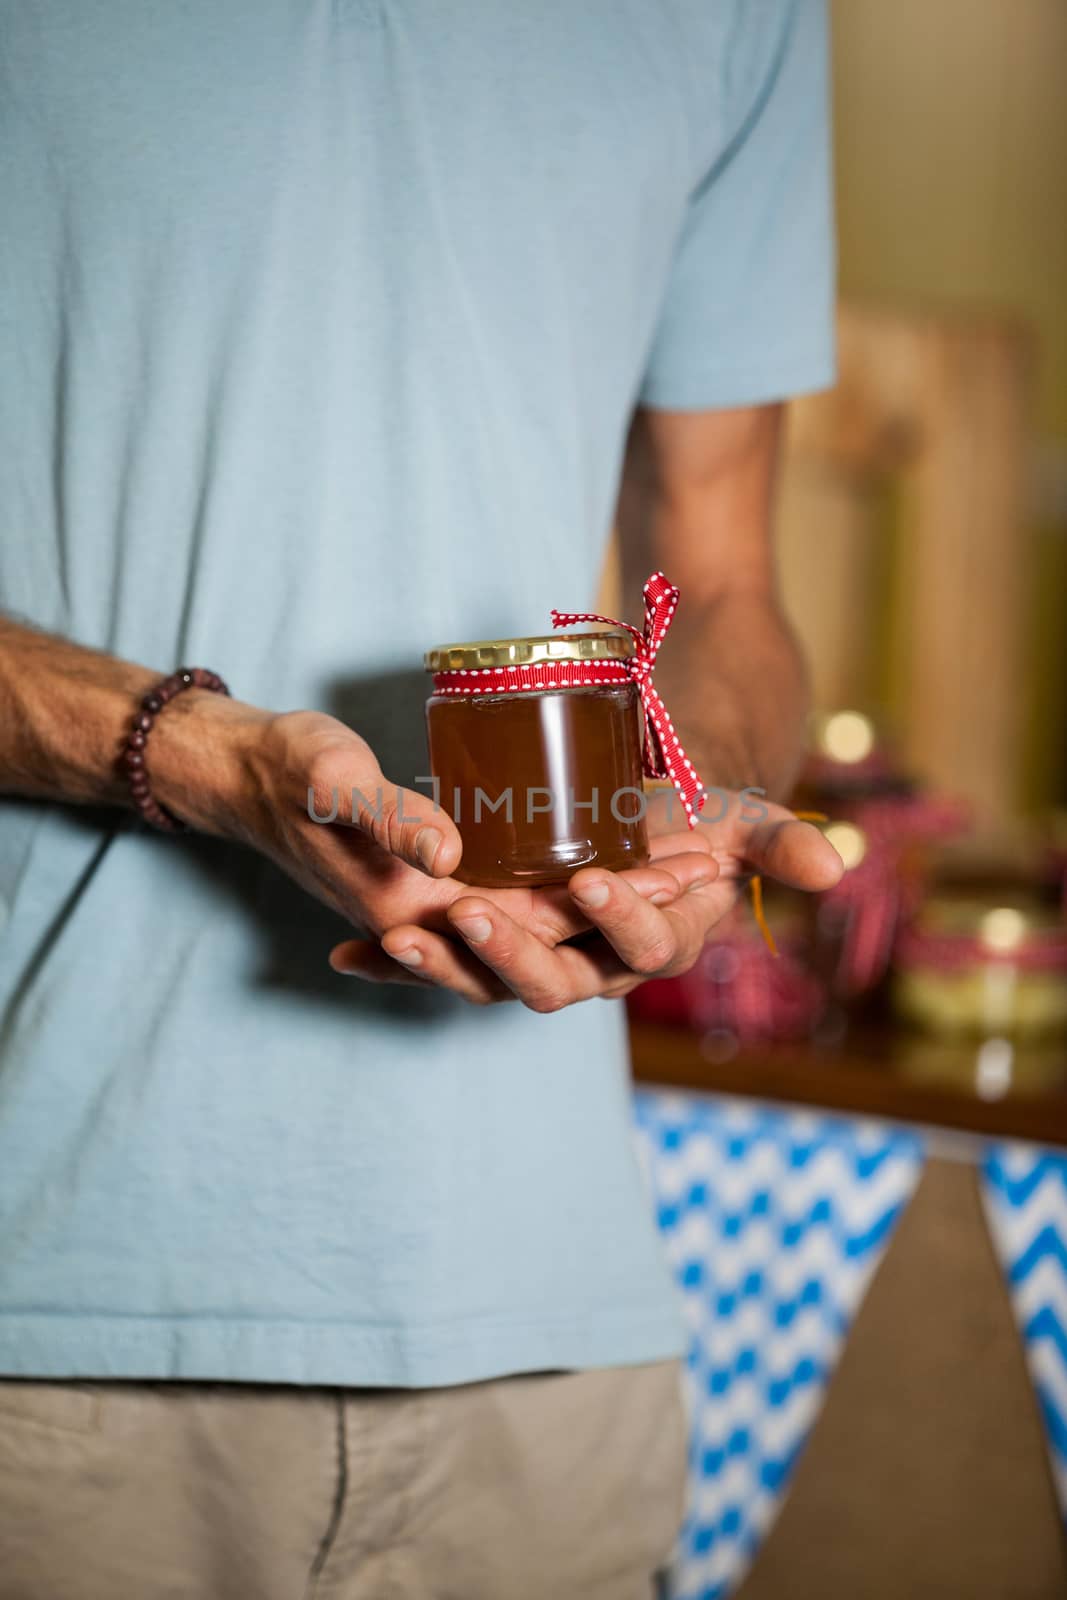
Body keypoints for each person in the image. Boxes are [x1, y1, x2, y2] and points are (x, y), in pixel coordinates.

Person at [0, 3, 842, 1596]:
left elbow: (722, 576)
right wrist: (205, 756)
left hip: (549, 1357)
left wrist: (691, 790)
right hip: (47, 1316)